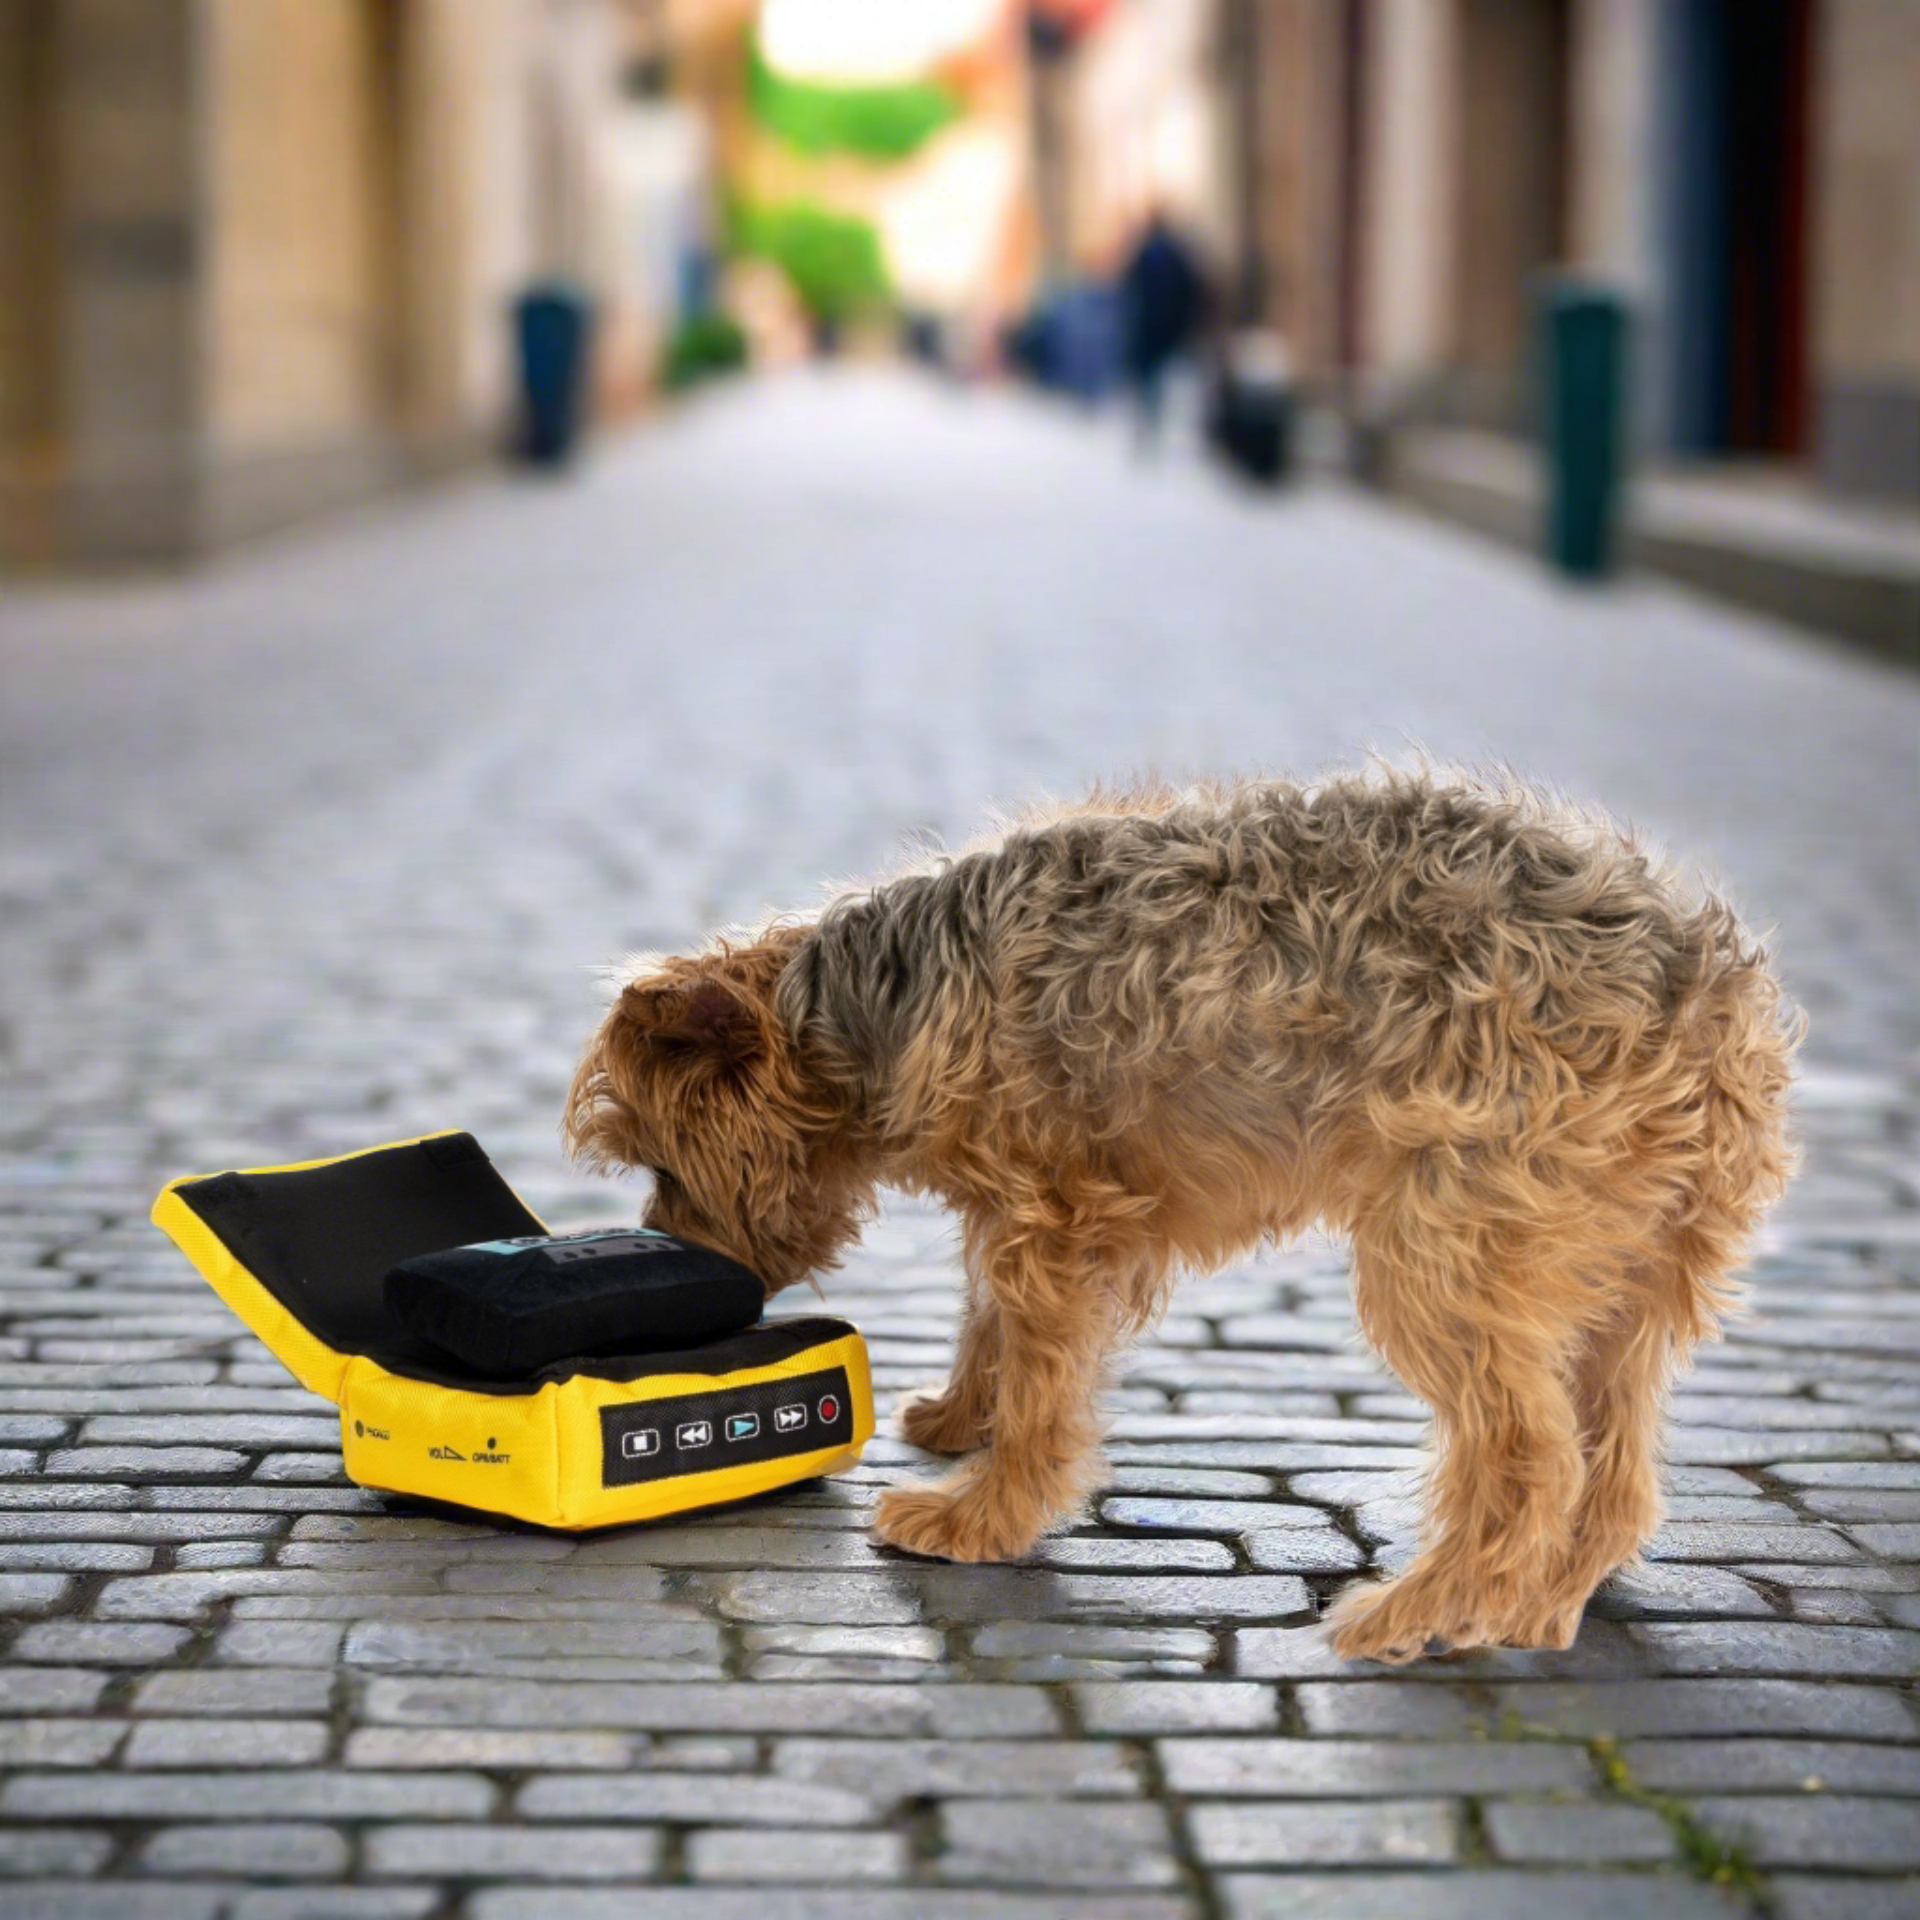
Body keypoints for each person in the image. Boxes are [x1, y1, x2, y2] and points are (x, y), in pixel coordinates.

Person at [1118, 209, 1210, 451]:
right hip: (1165, 326)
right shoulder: (1174, 255)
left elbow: (1129, 287)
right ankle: (1154, 421)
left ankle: (1149, 421)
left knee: (1149, 377)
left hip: (1147, 325)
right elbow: (1189, 289)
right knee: (1160, 375)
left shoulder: (1145, 253)